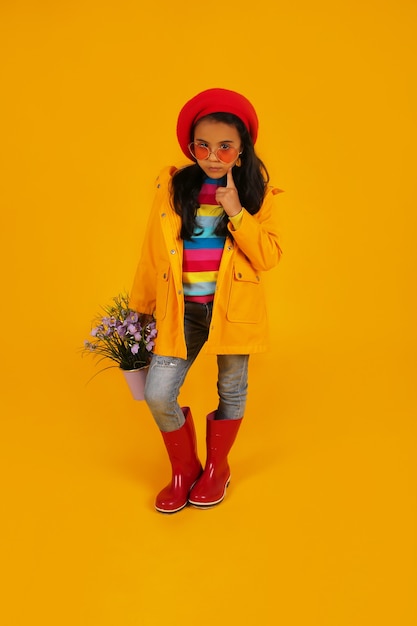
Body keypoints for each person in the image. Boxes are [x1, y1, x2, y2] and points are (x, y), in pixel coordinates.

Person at [129, 88, 282, 513]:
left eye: (225, 146)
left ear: (241, 148)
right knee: (159, 392)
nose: (213, 155)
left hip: (233, 313)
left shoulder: (257, 195)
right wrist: (138, 310)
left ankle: (217, 469)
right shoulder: (175, 187)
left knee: (231, 389)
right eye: (204, 145)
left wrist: (236, 211)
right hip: (184, 311)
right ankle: (185, 470)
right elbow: (151, 253)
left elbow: (268, 256)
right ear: (191, 145)